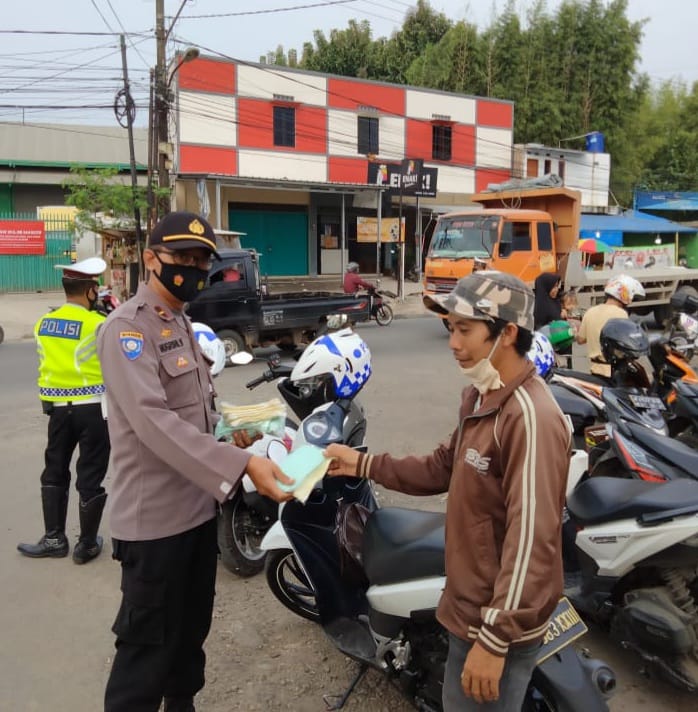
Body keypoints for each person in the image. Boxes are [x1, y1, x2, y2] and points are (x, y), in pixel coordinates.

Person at [325, 270, 571, 711]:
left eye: (464, 329)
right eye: (449, 329)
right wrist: (361, 463)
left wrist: (494, 640)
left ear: (508, 333)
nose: (453, 343)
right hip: (467, 606)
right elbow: (442, 467)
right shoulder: (480, 396)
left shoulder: (530, 417)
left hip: (497, 624)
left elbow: (532, 541)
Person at [97, 211, 292, 712]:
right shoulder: (127, 331)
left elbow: (198, 416)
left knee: (188, 643)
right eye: (181, 258)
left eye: (201, 260)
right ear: (150, 259)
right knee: (145, 655)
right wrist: (242, 466)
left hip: (198, 513)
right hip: (155, 524)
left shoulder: (182, 321)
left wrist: (250, 436)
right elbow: (154, 423)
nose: (192, 268)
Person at [17, 256, 111, 564]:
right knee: (90, 474)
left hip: (57, 411)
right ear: (90, 291)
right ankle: (86, 546)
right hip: (94, 411)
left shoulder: (43, 324)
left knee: (55, 470)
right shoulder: (99, 324)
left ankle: (54, 539)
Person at [576, 274, 645, 378]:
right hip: (614, 372)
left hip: (595, 370)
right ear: (625, 294)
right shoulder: (621, 314)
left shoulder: (590, 311)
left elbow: (580, 340)